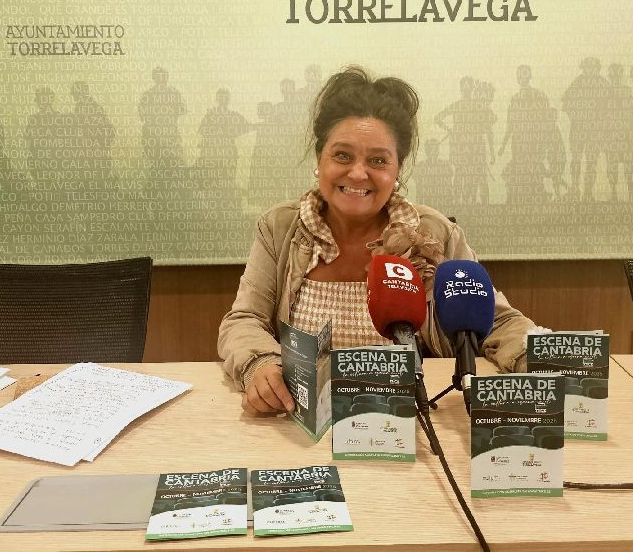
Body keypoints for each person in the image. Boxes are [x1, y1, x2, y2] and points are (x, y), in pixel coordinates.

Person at [218, 67, 538, 416]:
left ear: (397, 170)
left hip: (406, 426)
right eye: (342, 155)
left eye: (378, 161)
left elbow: (499, 323)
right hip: (300, 425)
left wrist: (534, 360)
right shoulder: (280, 227)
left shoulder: (435, 233)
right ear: (319, 159)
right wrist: (259, 364)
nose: (358, 173)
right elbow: (244, 320)